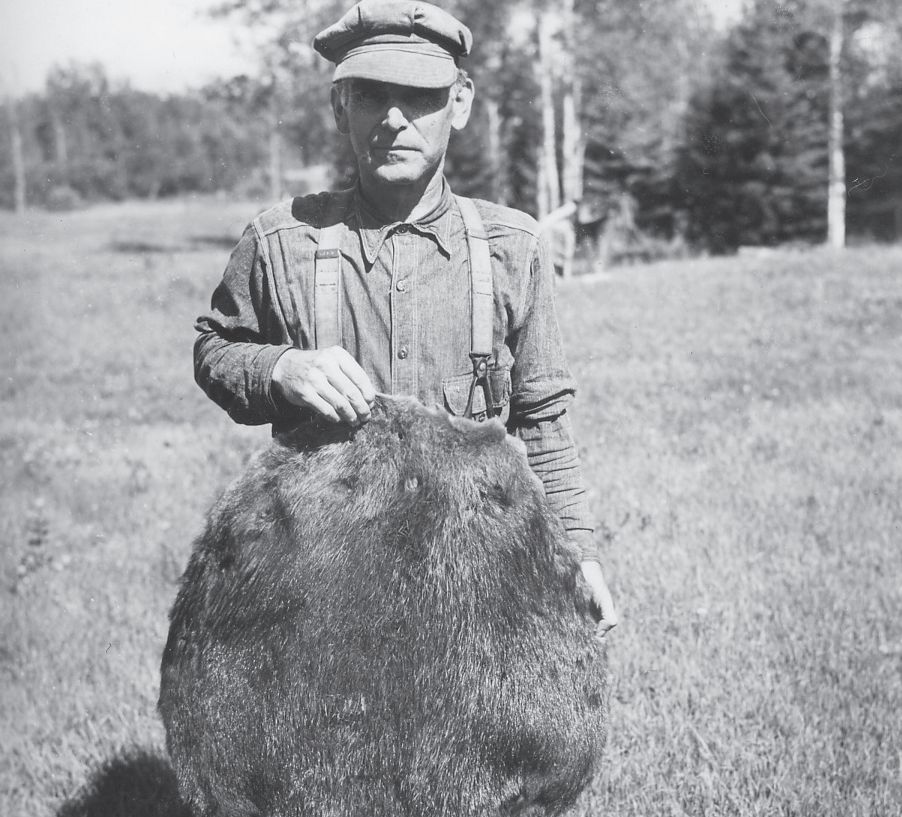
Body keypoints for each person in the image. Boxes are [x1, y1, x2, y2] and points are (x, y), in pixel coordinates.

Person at [193, 0, 616, 634]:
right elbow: (214, 349)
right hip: (321, 581)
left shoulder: (513, 248)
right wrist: (283, 369)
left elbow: (544, 423)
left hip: (473, 578)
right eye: (369, 96)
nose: (393, 119)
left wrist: (578, 558)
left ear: (460, 102)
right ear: (341, 108)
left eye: (418, 95)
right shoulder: (281, 241)